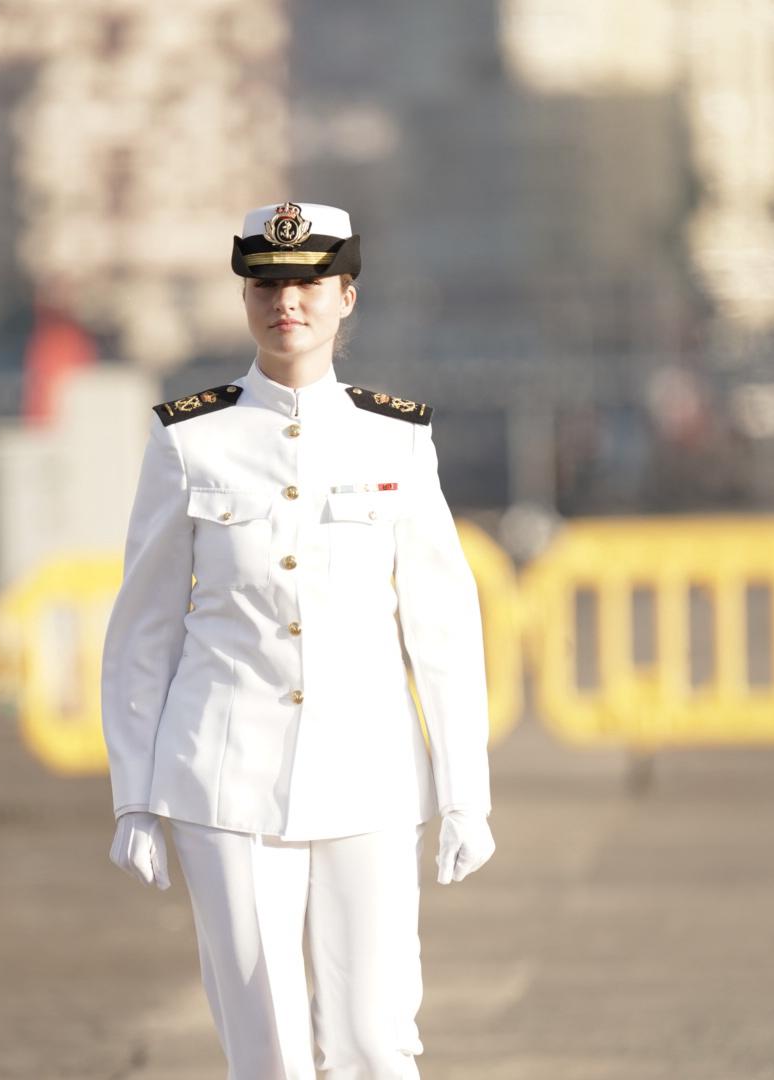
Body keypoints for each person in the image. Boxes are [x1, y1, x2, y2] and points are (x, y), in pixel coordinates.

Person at [100, 201, 495, 1080]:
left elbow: (441, 623)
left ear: (346, 296)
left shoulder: (397, 436)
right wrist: (135, 792)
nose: (289, 301)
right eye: (269, 283)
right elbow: (144, 629)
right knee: (266, 1052)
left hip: (370, 774)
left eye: (310, 282)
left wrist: (465, 788)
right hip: (225, 779)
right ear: (246, 297)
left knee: (375, 1043)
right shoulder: (189, 438)